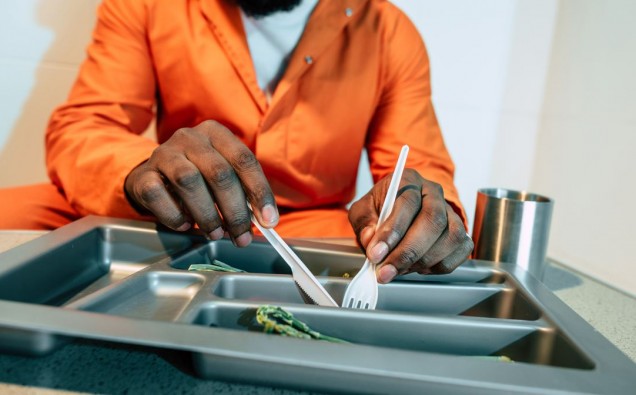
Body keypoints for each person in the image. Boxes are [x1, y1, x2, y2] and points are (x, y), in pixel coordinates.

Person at [0, 0, 473, 283]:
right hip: (182, 215)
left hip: (311, 230)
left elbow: (422, 170)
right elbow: (85, 127)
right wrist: (142, 172)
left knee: (416, 255)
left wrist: (426, 211)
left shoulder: (389, 32)